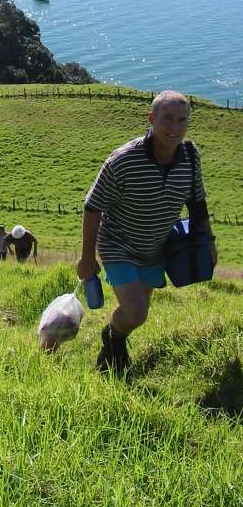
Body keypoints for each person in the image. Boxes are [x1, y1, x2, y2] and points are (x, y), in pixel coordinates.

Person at [77, 90, 217, 377]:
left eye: (182, 120)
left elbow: (197, 203)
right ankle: (111, 338)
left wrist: (209, 241)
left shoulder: (190, 156)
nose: (175, 127)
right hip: (117, 244)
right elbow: (92, 207)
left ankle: (114, 345)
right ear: (151, 119)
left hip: (156, 248)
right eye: (168, 119)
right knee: (136, 312)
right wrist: (87, 257)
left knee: (137, 314)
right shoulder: (122, 161)